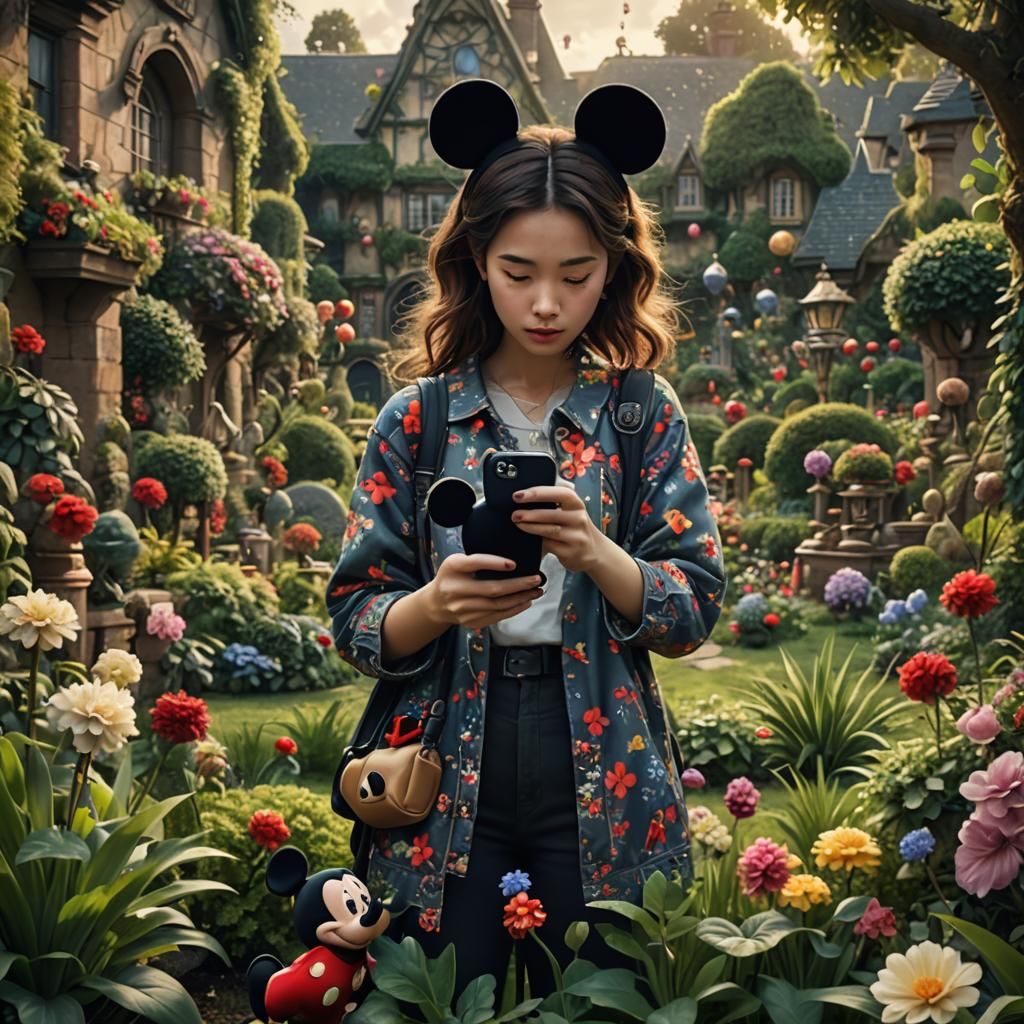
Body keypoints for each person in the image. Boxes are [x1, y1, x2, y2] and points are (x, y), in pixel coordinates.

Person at [326, 79, 727, 998]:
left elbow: (694, 605)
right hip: (440, 757)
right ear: (476, 260)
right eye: (519, 273)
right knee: (436, 998)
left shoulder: (639, 414)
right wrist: (434, 606)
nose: (547, 303)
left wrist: (601, 556)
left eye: (576, 275)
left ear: (614, 268)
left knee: (601, 997)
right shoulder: (417, 419)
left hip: (603, 749)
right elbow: (353, 617)